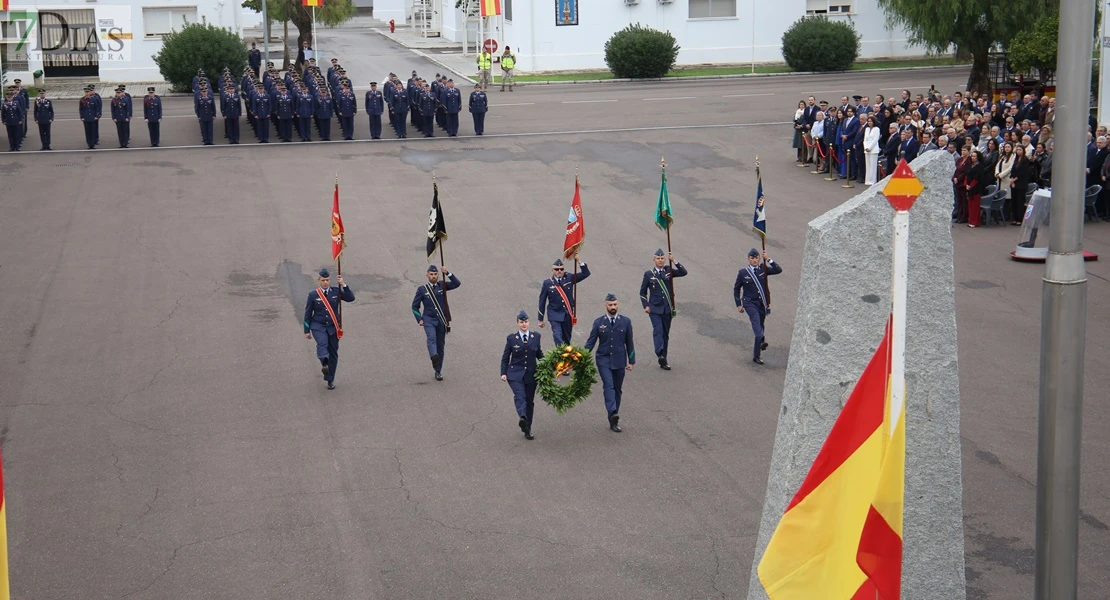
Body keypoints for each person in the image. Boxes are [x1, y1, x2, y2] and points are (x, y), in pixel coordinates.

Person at [585, 293, 635, 433]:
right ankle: (613, 412)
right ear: (605, 305)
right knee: (609, 385)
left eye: (615, 305)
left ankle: (613, 419)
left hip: (619, 361)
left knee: (618, 390)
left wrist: (631, 360)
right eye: (610, 305)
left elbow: (629, 342)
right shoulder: (598, 322)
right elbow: (590, 343)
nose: (613, 307)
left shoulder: (625, 322)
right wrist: (580, 357)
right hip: (604, 360)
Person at [303, 268, 355, 390]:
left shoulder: (336, 292)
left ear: (330, 280)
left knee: (333, 353)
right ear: (318, 281)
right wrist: (306, 330)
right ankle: (325, 364)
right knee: (322, 345)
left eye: (327, 280)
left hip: (333, 327)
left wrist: (343, 284)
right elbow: (307, 313)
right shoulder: (313, 295)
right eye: (323, 280)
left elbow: (351, 298)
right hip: (318, 326)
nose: (325, 282)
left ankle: (330, 379)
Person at [639, 249, 687, 370]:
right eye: (658, 258)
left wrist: (674, 260)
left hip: (667, 309)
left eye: (662, 258)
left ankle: (663, 359)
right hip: (654, 309)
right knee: (658, 330)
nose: (660, 260)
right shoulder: (649, 274)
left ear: (665, 259)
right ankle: (659, 352)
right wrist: (646, 305)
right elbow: (642, 292)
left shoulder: (668, 271)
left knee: (665, 334)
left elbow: (683, 272)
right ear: (654, 260)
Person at [733, 248, 782, 365]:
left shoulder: (763, 269)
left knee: (761, 326)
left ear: (759, 258)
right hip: (749, 303)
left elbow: (778, 270)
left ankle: (756, 355)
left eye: (756, 258)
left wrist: (768, 259)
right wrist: (738, 304)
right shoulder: (743, 273)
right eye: (752, 258)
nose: (754, 260)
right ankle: (762, 340)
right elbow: (736, 289)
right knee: (757, 328)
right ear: (748, 259)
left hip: (762, 303)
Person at [411, 265, 460, 381]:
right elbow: (414, 307)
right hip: (428, 319)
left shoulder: (442, 286)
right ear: (427, 275)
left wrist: (447, 273)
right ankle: (433, 355)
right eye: (431, 274)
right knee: (431, 338)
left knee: (441, 346)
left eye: (435, 274)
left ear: (438, 275)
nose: (433, 276)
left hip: (441, 320)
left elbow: (456, 284)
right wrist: (419, 319)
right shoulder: (422, 289)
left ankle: (438, 370)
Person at [500, 310, 543, 440]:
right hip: (515, 374)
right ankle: (522, 417)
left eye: (526, 322)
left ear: (528, 322)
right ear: (517, 323)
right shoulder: (512, 339)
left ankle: (527, 428)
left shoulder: (536, 337)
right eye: (521, 322)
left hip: (531, 374)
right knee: (520, 396)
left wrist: (549, 366)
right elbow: (505, 357)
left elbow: (539, 354)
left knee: (529, 401)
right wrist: (503, 373)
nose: (524, 324)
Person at [538, 256, 590, 347]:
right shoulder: (547, 283)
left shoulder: (569, 278)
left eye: (561, 269)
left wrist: (578, 261)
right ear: (552, 270)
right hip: (554, 314)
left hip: (567, 314)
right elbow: (542, 300)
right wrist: (540, 319)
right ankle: (561, 353)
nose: (559, 271)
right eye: (557, 269)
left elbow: (586, 274)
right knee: (557, 335)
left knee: (566, 339)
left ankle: (565, 357)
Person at [863, 115, 881, 185]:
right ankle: (867, 180)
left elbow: (875, 140)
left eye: (871, 121)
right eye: (868, 121)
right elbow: (865, 139)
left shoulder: (877, 129)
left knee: (873, 165)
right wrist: (866, 147)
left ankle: (873, 181)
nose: (869, 123)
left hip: (873, 149)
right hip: (866, 149)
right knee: (868, 165)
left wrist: (870, 148)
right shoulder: (867, 129)